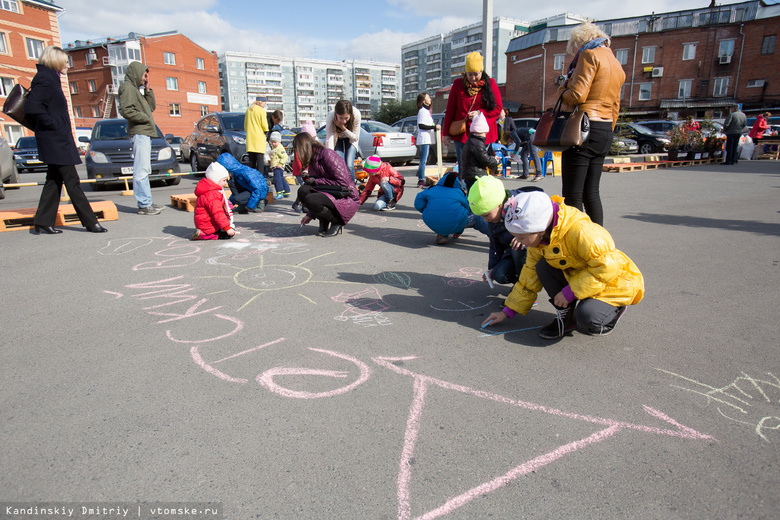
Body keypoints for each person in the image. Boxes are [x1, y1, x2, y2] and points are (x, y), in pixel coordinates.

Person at [481, 191, 644, 340]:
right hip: (581, 276)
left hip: (614, 282)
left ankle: (615, 310)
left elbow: (606, 268)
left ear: (539, 229)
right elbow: (528, 278)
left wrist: (571, 291)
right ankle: (566, 317)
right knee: (541, 266)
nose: (519, 242)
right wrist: (507, 311)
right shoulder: (540, 240)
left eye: (521, 238)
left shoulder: (582, 232)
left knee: (588, 316)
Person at [25, 46, 107, 234]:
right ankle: (90, 222)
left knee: (53, 181)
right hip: (55, 140)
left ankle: (43, 221)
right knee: (72, 181)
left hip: (56, 139)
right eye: (65, 62)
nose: (67, 66)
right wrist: (54, 124)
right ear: (55, 61)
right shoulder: (45, 79)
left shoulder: (50, 79)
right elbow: (32, 107)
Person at [556, 21, 625, 227]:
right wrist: (606, 130)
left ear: (580, 41)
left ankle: (577, 245)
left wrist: (563, 88)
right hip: (604, 128)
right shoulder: (615, 62)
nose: (574, 53)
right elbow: (616, 105)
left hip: (583, 127)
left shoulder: (589, 55)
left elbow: (577, 94)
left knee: (572, 194)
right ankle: (600, 243)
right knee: (592, 193)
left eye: (574, 48)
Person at [467, 175, 543, 285]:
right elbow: (495, 245)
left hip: (535, 253)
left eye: (487, 215)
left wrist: (524, 236)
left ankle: (527, 286)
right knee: (499, 274)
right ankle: (519, 283)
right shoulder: (494, 217)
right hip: (511, 254)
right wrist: (492, 268)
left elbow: (542, 225)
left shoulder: (521, 207)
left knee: (520, 246)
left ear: (500, 204)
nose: (485, 220)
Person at [442, 51, 503, 172]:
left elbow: (498, 108)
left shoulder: (490, 84)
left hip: (482, 134)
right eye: (469, 74)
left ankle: (478, 190)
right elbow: (450, 110)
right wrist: (445, 134)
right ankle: (464, 189)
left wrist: (480, 113)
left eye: (476, 74)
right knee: (463, 167)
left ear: (482, 72)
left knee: (480, 168)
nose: (473, 78)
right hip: (462, 133)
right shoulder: (458, 84)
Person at [118, 60, 164, 215]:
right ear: (137, 73)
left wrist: (148, 90)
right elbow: (125, 110)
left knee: (145, 168)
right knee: (141, 170)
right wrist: (144, 118)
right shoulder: (128, 88)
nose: (145, 78)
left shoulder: (136, 90)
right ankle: (144, 205)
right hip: (140, 132)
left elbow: (151, 108)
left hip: (144, 133)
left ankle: (147, 202)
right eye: (144, 76)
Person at [293, 132, 359, 237]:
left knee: (311, 198)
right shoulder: (313, 158)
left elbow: (343, 183)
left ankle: (337, 221)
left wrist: (315, 181)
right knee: (303, 190)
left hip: (346, 195)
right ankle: (324, 221)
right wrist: (310, 214)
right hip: (331, 191)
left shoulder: (327, 154)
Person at [414, 170, 489, 245]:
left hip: (431, 221)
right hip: (456, 221)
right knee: (476, 219)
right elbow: (467, 208)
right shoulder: (460, 192)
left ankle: (442, 234)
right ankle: (494, 236)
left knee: (447, 217)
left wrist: (425, 210)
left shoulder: (431, 189)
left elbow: (418, 202)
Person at [191, 162, 236, 241]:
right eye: (224, 180)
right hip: (207, 225)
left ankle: (207, 232)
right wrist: (227, 228)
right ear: (216, 180)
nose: (226, 183)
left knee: (229, 230)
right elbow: (217, 212)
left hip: (204, 223)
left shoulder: (209, 189)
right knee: (227, 234)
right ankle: (207, 235)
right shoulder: (212, 194)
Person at [460, 112, 498, 192]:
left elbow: (480, 156)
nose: (485, 136)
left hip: (470, 174)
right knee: (475, 195)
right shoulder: (477, 143)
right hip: (475, 175)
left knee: (471, 194)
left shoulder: (471, 141)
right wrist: (494, 161)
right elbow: (484, 158)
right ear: (480, 132)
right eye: (485, 133)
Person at [325, 100, 361, 182]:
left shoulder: (356, 114)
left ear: (350, 115)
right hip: (336, 139)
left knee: (349, 165)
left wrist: (342, 128)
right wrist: (330, 152)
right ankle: (343, 186)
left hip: (351, 139)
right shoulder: (331, 115)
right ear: (336, 114)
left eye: (346, 118)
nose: (343, 121)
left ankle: (352, 190)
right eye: (340, 118)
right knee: (340, 165)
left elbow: (355, 138)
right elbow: (330, 135)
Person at [416, 93, 439, 189]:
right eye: (428, 97)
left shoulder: (427, 111)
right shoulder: (422, 111)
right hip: (424, 138)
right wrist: (434, 127)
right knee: (423, 160)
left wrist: (434, 127)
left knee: (424, 160)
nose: (430, 99)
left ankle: (421, 178)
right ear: (423, 100)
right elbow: (422, 125)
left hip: (427, 137)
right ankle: (421, 180)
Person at [245, 96, 269, 175]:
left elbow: (245, 126)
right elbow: (264, 125)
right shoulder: (261, 111)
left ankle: (252, 179)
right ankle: (260, 178)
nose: (264, 105)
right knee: (260, 161)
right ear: (262, 102)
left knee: (252, 162)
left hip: (250, 139)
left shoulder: (249, 110)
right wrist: (267, 131)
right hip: (259, 138)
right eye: (265, 103)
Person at [268, 131, 290, 199]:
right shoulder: (275, 148)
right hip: (275, 166)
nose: (273, 144)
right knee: (281, 179)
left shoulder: (279, 148)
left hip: (278, 167)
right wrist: (271, 162)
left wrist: (280, 163)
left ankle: (279, 192)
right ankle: (286, 191)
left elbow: (285, 157)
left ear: (279, 141)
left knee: (277, 180)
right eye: (272, 142)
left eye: (275, 142)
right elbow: (275, 157)